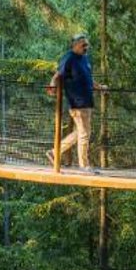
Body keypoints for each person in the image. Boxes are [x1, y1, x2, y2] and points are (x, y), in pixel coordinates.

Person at [47, 32, 100, 170]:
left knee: (82, 133)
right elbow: (58, 74)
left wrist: (99, 86)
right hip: (77, 102)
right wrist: (52, 85)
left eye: (87, 44)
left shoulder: (85, 59)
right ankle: (84, 166)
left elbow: (88, 77)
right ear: (75, 45)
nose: (86, 47)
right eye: (83, 45)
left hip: (87, 101)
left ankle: (54, 152)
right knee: (84, 134)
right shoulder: (69, 58)